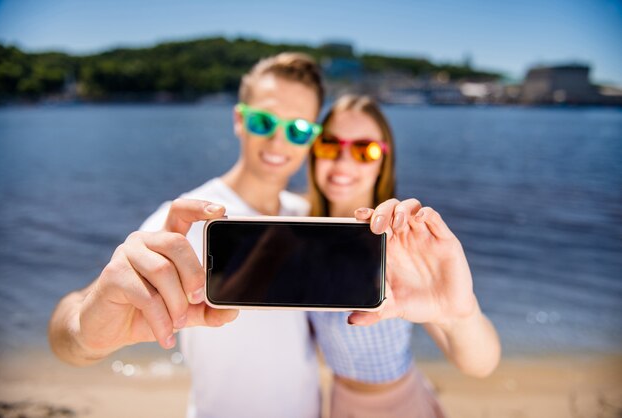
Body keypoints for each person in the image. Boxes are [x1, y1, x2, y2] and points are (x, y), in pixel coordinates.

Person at [49, 53, 445, 418]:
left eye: (299, 129)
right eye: (263, 122)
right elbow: (72, 320)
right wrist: (88, 333)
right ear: (239, 119)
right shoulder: (188, 219)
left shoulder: (308, 219)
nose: (278, 141)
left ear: (311, 139)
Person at [306, 95, 501, 417]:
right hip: (338, 403)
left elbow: (481, 365)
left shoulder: (402, 240)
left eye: (363, 150)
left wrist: (460, 315)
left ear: (384, 159)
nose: (343, 162)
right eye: (329, 145)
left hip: (403, 404)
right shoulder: (295, 229)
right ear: (314, 150)